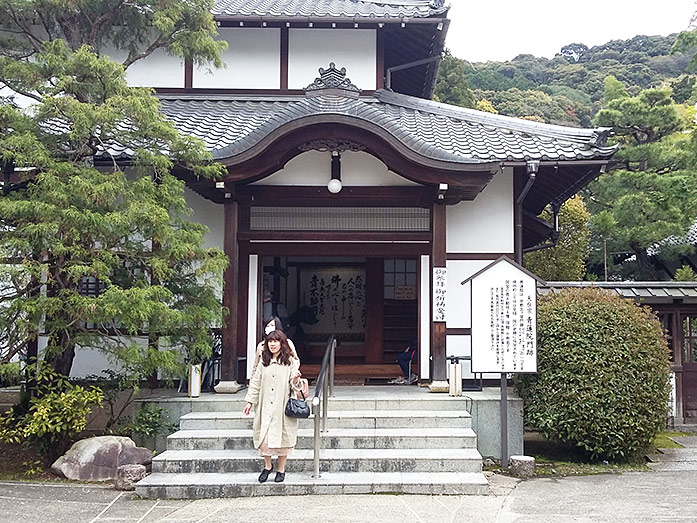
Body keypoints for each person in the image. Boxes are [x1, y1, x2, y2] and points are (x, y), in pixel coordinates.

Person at [243, 330, 303, 483]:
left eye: (276, 341)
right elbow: (256, 382)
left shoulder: (290, 361)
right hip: (265, 405)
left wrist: (296, 380)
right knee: (265, 438)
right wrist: (250, 401)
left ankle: (281, 469)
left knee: (283, 438)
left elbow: (295, 384)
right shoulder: (264, 361)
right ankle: (267, 466)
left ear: (282, 343)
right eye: (270, 341)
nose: (272, 344)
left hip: (282, 406)